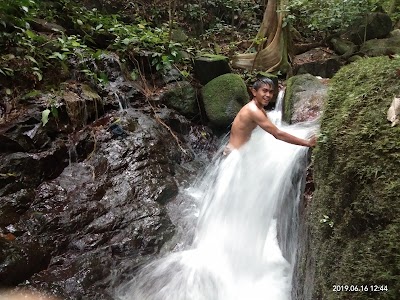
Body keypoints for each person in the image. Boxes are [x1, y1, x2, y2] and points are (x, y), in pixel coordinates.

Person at [225, 77, 316, 154]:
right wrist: (307, 143)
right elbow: (277, 134)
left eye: (271, 92)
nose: (268, 95)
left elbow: (274, 128)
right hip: (233, 155)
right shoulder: (253, 111)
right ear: (254, 92)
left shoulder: (260, 110)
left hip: (238, 153)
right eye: (264, 91)